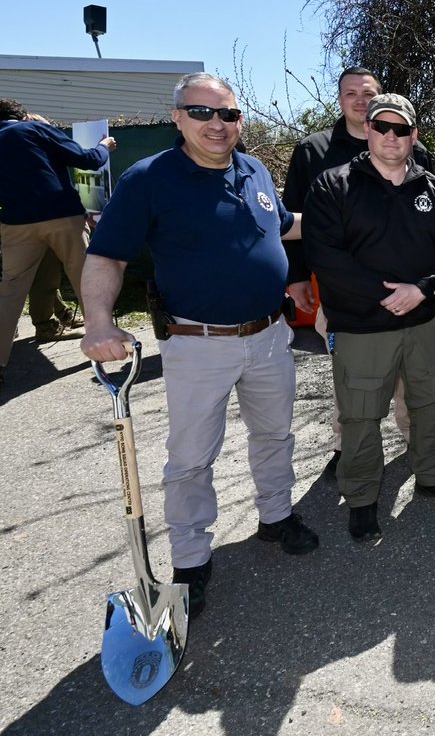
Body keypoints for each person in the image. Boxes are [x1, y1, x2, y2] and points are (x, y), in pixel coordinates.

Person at [80, 73, 318, 617]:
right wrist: (98, 323)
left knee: (275, 435)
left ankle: (276, 517)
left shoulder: (253, 168)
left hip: (270, 334)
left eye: (228, 115)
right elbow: (107, 256)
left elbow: (283, 227)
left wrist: (355, 215)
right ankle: (190, 559)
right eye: (203, 113)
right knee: (190, 459)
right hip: (197, 343)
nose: (218, 125)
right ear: (179, 118)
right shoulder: (150, 179)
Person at [304, 94, 435, 541]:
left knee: (431, 405)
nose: (392, 137)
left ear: (414, 136)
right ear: (368, 130)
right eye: (383, 127)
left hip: (425, 321)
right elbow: (326, 256)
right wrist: (386, 297)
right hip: (362, 326)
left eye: (401, 129)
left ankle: (433, 476)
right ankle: (361, 497)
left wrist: (421, 290)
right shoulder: (333, 186)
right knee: (360, 416)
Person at [282, 67, 432, 479]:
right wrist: (295, 278)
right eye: (351, 93)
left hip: (404, 290)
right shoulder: (314, 151)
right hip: (341, 291)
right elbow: (291, 221)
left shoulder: (410, 148)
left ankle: (415, 439)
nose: (360, 100)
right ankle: (347, 446)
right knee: (350, 376)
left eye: (368, 93)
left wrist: (432, 284)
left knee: (408, 373)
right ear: (341, 99)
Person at [0, 99, 115, 386]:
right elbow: (87, 159)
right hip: (60, 215)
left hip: (14, 223)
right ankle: (105, 347)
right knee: (86, 280)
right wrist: (104, 146)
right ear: (23, 115)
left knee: (9, 293)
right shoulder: (34, 129)